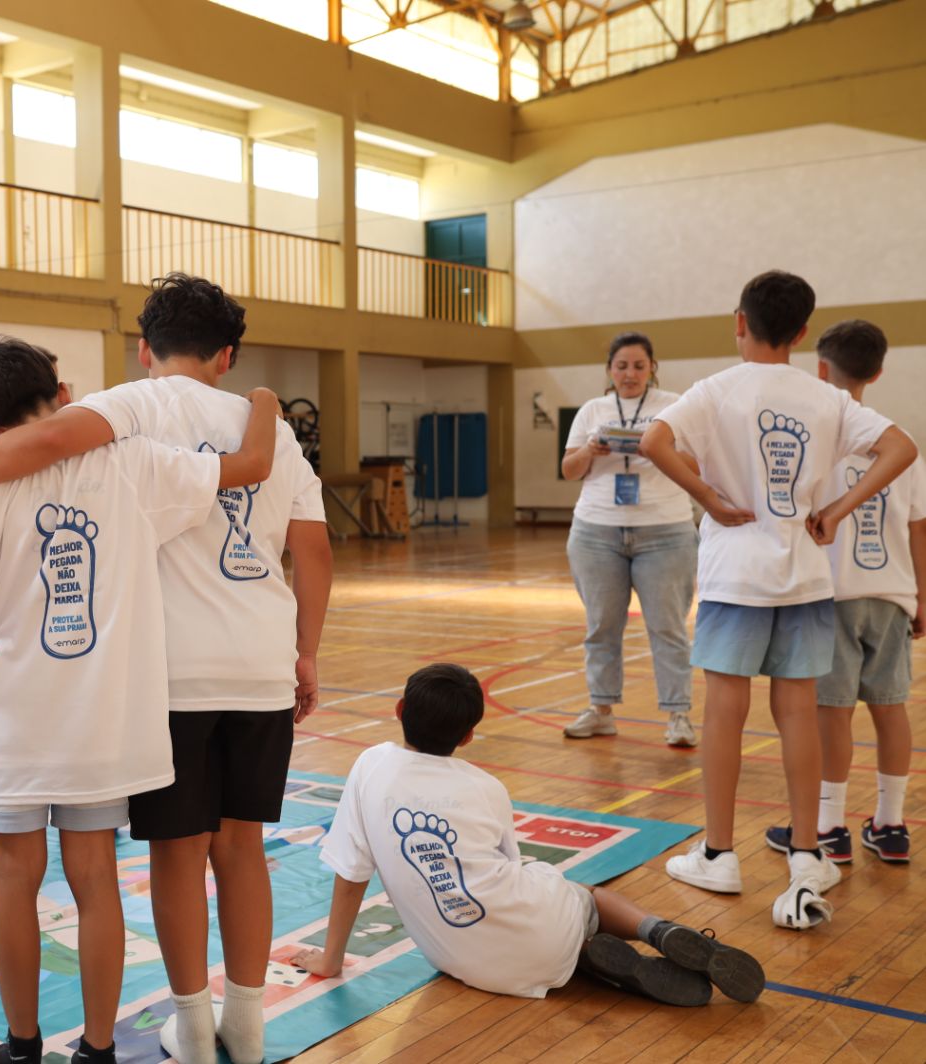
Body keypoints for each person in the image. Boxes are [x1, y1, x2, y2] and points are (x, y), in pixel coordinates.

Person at [0, 277, 331, 1064]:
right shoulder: (266, 427)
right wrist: (305, 650)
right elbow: (312, 548)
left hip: (167, 675)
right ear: (228, 353)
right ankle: (247, 1025)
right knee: (242, 848)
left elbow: (36, 441)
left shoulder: (132, 407)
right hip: (258, 665)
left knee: (179, 854)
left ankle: (194, 1026)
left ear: (144, 349)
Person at [640, 270, 918, 928]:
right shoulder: (825, 398)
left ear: (739, 322)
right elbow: (901, 447)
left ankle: (717, 854)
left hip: (736, 573)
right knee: (798, 711)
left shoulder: (715, 390)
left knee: (724, 713)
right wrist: (839, 508)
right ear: (800, 333)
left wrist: (708, 497)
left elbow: (654, 440)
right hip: (804, 573)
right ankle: (803, 854)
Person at [290, 665, 765, 1007]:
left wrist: (331, 959)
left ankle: (597, 965)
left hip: (462, 965)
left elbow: (350, 872)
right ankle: (660, 932)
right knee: (583, 897)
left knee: (539, 940)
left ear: (398, 710)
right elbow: (509, 869)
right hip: (537, 928)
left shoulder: (369, 764)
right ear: (469, 736)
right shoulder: (485, 787)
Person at [764, 320, 923, 865]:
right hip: (892, 596)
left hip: (832, 598)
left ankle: (829, 827)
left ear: (820, 369)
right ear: (878, 372)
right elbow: (919, 528)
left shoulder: (818, 438)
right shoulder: (901, 443)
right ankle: (891, 823)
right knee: (890, 709)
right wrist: (923, 597)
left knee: (832, 715)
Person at [560, 333, 700, 747]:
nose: (630, 374)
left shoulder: (674, 406)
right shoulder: (592, 410)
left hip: (666, 531)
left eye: (639, 366)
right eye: (621, 366)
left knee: (668, 627)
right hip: (596, 532)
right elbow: (569, 469)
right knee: (601, 626)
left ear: (652, 367)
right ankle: (601, 710)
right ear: (609, 370)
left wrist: (657, 448)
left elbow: (696, 463)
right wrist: (590, 450)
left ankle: (678, 716)